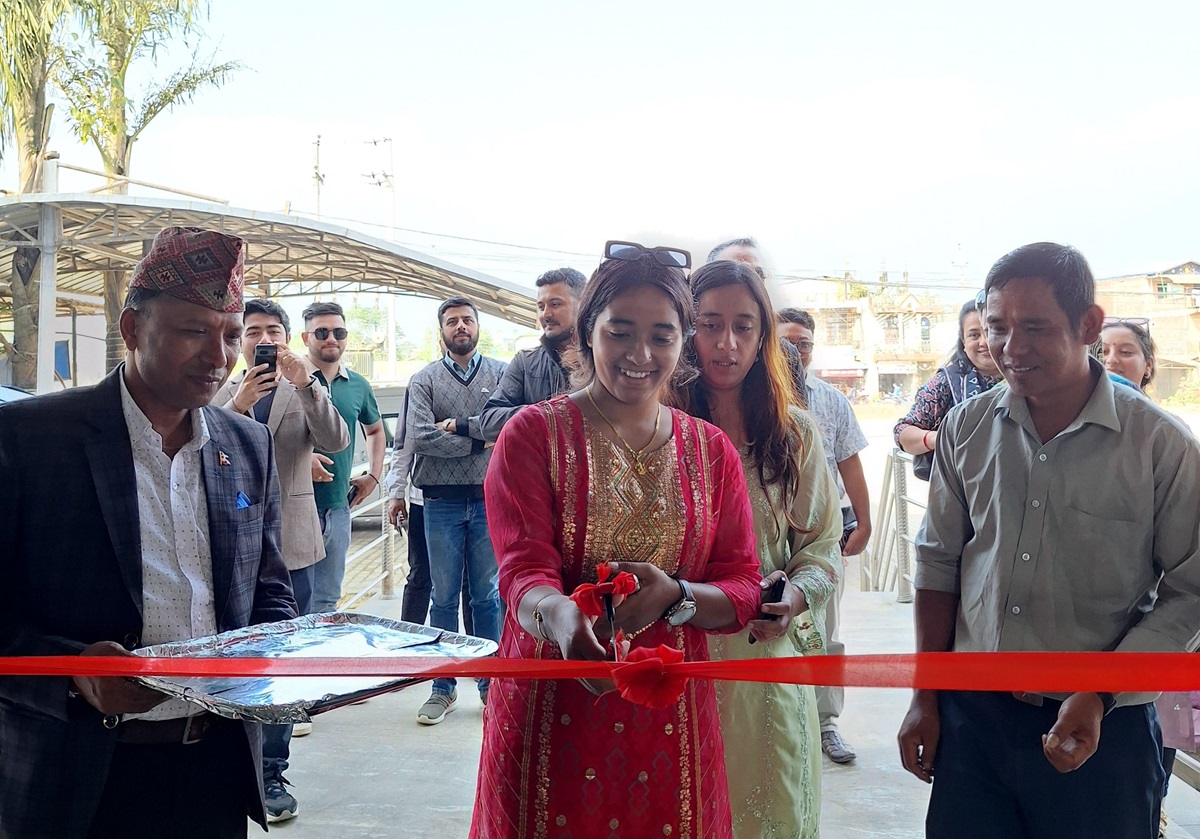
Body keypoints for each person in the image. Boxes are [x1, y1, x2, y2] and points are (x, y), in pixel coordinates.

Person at [0, 226, 297, 838]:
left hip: (215, 766)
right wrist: (76, 675)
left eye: (231, 336)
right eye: (194, 331)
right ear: (132, 329)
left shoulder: (248, 444)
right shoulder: (30, 441)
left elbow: (268, 590)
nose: (218, 358)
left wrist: (292, 661)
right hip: (77, 776)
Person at [897, 242, 1200, 839]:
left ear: (1088, 325)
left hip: (1102, 730)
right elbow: (939, 565)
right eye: (997, 327)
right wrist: (925, 697)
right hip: (973, 720)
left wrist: (1100, 691)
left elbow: (1190, 593)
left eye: (1034, 327)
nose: (1011, 348)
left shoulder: (1159, 445)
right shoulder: (966, 428)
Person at [471, 242, 763, 839]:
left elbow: (743, 584)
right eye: (620, 332)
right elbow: (522, 572)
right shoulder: (532, 435)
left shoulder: (711, 452)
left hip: (673, 719)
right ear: (588, 332)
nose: (640, 355)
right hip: (553, 703)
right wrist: (559, 615)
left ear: (683, 342)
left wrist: (677, 596)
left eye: (662, 336)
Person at [681, 260, 843, 838]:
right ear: (686, 329)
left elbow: (822, 546)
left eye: (743, 327)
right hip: (681, 658)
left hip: (765, 656)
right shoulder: (658, 429)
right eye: (710, 324)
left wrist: (793, 597)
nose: (726, 343)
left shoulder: (793, 433)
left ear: (763, 336)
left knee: (771, 812)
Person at [213, 297, 349, 823]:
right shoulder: (220, 389)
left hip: (293, 542)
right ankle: (232, 762)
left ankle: (272, 770)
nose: (263, 339)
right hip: (228, 545)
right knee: (234, 657)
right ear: (239, 338)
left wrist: (307, 384)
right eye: (253, 331)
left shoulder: (303, 386)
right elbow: (197, 443)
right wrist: (238, 403)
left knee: (287, 659)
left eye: (273, 330)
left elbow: (336, 440)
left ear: (287, 339)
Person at [775, 307, 871, 764]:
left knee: (824, 630)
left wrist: (865, 522)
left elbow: (849, 462)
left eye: (804, 344)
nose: (795, 351)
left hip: (821, 535)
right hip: (766, 534)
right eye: (786, 342)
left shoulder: (831, 400)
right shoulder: (745, 394)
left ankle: (826, 722)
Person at [406, 296, 508, 724]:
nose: (460, 326)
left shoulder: (502, 374)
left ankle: (490, 684)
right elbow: (420, 436)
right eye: (452, 321)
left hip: (489, 499)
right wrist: (479, 441)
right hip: (440, 501)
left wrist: (459, 428)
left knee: (487, 597)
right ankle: (442, 687)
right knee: (443, 598)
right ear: (442, 331)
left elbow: (508, 424)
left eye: (467, 320)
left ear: (478, 327)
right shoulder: (424, 379)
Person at [303, 302, 386, 613]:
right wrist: (302, 462)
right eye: (321, 332)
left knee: (327, 602)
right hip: (294, 509)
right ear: (305, 338)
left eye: (339, 332)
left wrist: (373, 476)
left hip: (339, 508)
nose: (331, 339)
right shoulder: (287, 381)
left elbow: (375, 430)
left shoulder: (358, 385)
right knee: (293, 602)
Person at [385, 385, 473, 636]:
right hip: (424, 500)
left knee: (472, 581)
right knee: (420, 574)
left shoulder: (486, 376)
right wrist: (396, 492)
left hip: (473, 498)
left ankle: (479, 649)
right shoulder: (421, 382)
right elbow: (405, 443)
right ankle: (406, 640)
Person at [893, 296, 1002, 470]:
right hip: (960, 484)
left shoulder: (1026, 379)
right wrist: (940, 439)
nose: (984, 342)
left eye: (990, 332)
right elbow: (902, 432)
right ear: (963, 342)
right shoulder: (946, 382)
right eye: (974, 335)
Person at [478, 266, 586, 441]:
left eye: (555, 304)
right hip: (537, 459)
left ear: (583, 305)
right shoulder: (525, 362)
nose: (546, 314)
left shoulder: (601, 360)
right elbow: (489, 421)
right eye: (541, 307)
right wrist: (547, 415)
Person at [708, 237, 808, 404]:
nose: (747, 280)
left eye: (758, 274)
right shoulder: (678, 352)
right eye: (731, 271)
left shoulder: (785, 355)